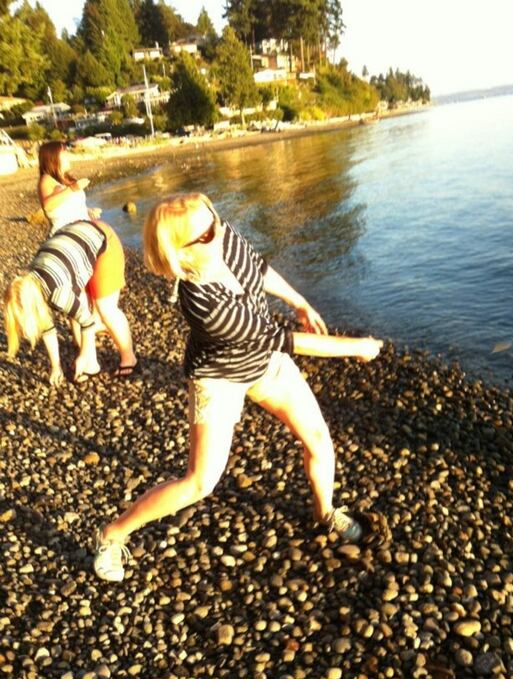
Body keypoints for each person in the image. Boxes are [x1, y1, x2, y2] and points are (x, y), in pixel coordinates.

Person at [93, 193, 383, 582]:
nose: (221, 230)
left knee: (317, 437)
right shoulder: (203, 304)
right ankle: (112, 534)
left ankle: (325, 513)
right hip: (219, 376)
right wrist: (356, 349)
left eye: (216, 219)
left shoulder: (220, 237)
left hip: (263, 363)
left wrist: (299, 301)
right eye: (208, 231)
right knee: (200, 481)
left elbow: (258, 269)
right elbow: (283, 341)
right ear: (182, 254)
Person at [4, 220, 137, 383]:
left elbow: (87, 321)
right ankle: (91, 362)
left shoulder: (57, 293)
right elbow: (46, 327)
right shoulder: (30, 284)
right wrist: (56, 367)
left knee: (106, 308)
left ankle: (128, 358)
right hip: (74, 243)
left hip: (103, 239)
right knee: (76, 310)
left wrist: (83, 355)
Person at [37, 140, 101, 235]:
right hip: (66, 231)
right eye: (64, 154)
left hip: (82, 226)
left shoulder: (67, 178)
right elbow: (47, 206)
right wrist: (72, 189)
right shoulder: (46, 179)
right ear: (52, 158)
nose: (68, 157)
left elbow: (68, 206)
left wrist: (88, 210)